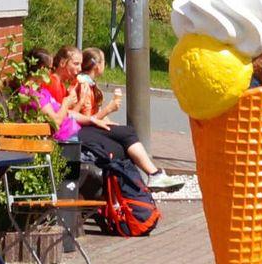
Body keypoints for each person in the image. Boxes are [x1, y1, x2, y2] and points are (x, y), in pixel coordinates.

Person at [40, 47, 183, 191]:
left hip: (74, 130)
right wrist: (103, 110)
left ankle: (141, 187)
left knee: (123, 138)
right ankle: (151, 177)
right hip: (70, 135)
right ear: (63, 63)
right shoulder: (58, 84)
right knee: (125, 135)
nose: (79, 69)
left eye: (80, 64)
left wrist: (96, 118)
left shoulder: (63, 84)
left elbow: (70, 115)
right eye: (76, 64)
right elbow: (64, 118)